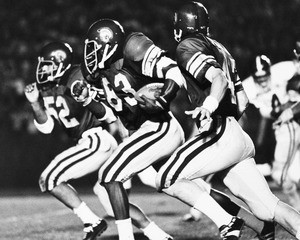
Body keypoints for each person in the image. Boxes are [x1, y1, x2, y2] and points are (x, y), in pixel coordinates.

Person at [72, 18, 278, 240]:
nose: (89, 53)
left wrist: (164, 97)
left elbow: (172, 71)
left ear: (108, 43)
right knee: (191, 188)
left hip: (158, 127)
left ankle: (223, 221)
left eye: (93, 46)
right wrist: (87, 100)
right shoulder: (101, 73)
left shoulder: (133, 46)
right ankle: (257, 223)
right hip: (143, 133)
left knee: (111, 175)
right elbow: (110, 115)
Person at [155, 1, 300, 240]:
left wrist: (209, 107)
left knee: (167, 177)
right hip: (237, 135)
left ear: (181, 24)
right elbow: (242, 101)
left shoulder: (187, 45)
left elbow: (219, 78)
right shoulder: (220, 48)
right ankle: (260, 227)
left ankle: (227, 222)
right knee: (269, 208)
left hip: (219, 130)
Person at [24, 41, 175, 240]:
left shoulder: (77, 75)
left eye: (47, 65)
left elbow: (107, 101)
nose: (42, 70)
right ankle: (157, 235)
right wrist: (35, 103)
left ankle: (92, 222)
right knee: (115, 203)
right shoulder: (47, 88)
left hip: (96, 139)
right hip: (90, 142)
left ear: (60, 63)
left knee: (50, 178)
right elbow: (47, 127)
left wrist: (122, 131)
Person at [242, 55, 289, 176]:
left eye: (265, 77)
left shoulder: (282, 70)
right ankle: (262, 157)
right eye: (259, 79)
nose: (263, 82)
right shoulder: (247, 87)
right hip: (268, 118)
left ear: (270, 72)